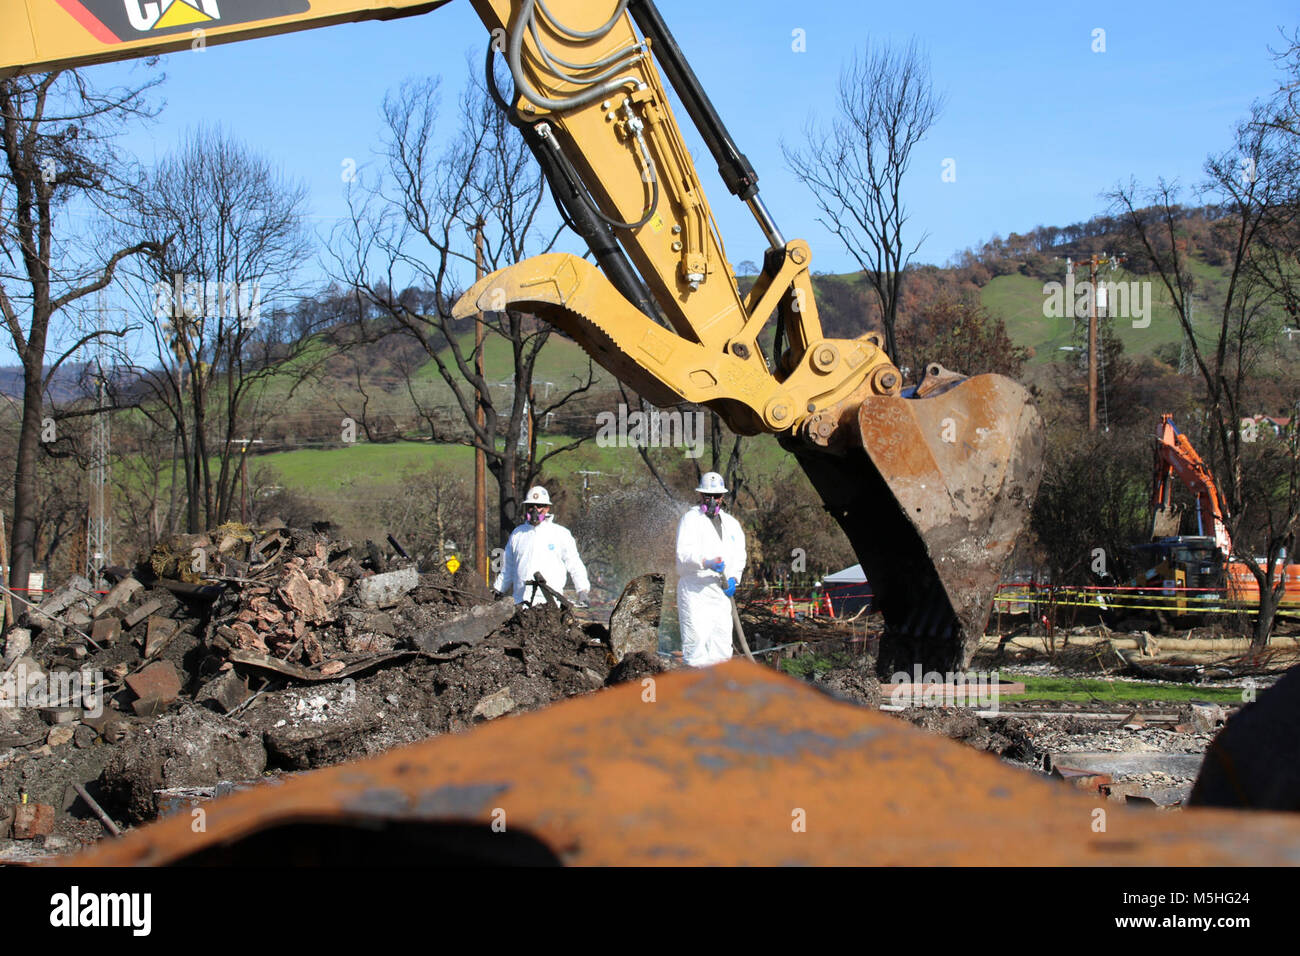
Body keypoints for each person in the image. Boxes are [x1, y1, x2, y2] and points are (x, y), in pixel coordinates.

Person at [675, 471, 746, 666]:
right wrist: (706, 562)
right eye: (708, 496)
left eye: (716, 496)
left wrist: (733, 578)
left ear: (722, 497)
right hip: (695, 590)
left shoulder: (732, 524)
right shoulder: (690, 519)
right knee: (696, 640)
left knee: (722, 643)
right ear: (701, 496)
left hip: (721, 592)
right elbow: (682, 555)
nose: (713, 500)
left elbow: (739, 556)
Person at [493, 485, 591, 608]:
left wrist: (582, 590)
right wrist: (498, 590)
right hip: (521, 603)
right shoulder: (518, 534)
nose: (534, 510)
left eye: (539, 506)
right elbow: (508, 567)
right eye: (530, 506)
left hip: (551, 604)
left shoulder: (560, 534)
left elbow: (574, 564)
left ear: (547, 508)